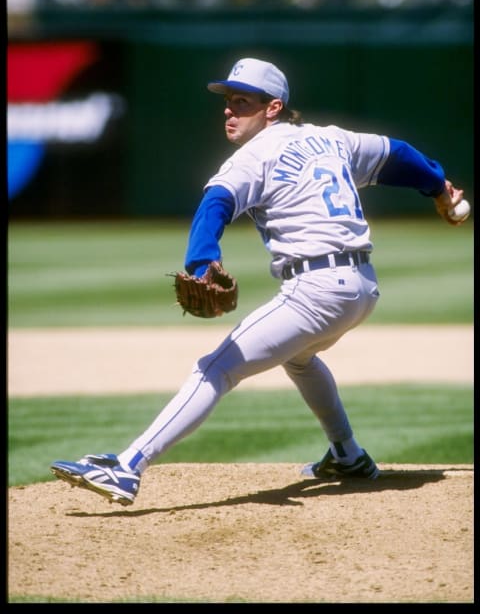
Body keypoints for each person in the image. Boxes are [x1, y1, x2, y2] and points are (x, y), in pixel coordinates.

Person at [51, 57, 468, 506]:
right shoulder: (332, 139)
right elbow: (400, 155)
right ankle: (347, 454)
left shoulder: (255, 155)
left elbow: (214, 204)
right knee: (301, 358)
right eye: (228, 101)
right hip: (362, 287)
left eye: (242, 102)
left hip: (317, 290)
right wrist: (440, 191)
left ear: (273, 108)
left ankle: (127, 467)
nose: (229, 111)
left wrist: (200, 262)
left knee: (214, 368)